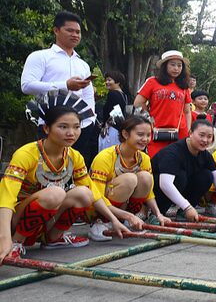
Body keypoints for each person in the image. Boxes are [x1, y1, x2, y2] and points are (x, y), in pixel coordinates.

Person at [0, 103, 128, 260]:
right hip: (13, 219)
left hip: (47, 214)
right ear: (47, 129)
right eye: (63, 127)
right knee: (55, 194)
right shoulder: (26, 154)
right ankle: (15, 242)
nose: (71, 133)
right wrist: (3, 236)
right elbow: (6, 196)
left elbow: (93, 193)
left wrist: (114, 220)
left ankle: (54, 238)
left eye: (76, 127)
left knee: (83, 194)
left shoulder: (74, 156)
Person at [20, 11, 99, 165]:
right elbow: (27, 85)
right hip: (50, 123)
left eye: (78, 32)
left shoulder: (82, 64)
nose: (75, 35)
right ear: (56, 30)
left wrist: (90, 120)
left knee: (75, 167)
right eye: (69, 30)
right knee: (47, 165)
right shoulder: (40, 56)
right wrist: (65, 85)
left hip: (80, 127)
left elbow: (87, 94)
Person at [88, 116, 164, 242]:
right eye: (140, 134)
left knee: (146, 178)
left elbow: (149, 193)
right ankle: (102, 222)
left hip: (123, 210)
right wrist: (125, 215)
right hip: (99, 208)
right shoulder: (105, 157)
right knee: (129, 179)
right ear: (125, 134)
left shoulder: (144, 158)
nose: (145, 139)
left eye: (148, 135)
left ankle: (127, 220)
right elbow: (96, 196)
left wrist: (158, 214)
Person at [152, 119, 216, 221]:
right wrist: (187, 207)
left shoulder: (205, 154)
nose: (205, 140)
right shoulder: (173, 152)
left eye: (209, 137)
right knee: (180, 177)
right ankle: (156, 213)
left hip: (179, 189)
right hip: (153, 193)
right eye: (201, 135)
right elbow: (165, 184)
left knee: (207, 175)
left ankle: (183, 212)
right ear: (190, 133)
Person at [134, 50, 192, 157]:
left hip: (179, 133)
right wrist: (149, 119)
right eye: (172, 65)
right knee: (155, 163)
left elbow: (187, 111)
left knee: (176, 164)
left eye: (179, 66)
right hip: (156, 131)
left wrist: (188, 130)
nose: (176, 68)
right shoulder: (152, 81)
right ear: (165, 66)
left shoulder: (184, 86)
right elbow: (138, 103)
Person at [98, 71, 131, 151]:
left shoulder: (112, 94)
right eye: (106, 80)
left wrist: (104, 126)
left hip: (111, 128)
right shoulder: (124, 95)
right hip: (119, 128)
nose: (107, 82)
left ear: (118, 81)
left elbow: (110, 112)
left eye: (109, 80)